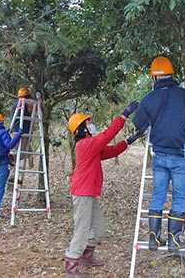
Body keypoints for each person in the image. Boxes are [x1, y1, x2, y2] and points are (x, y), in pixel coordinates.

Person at [132, 56, 185, 253]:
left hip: (159, 155)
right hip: (180, 154)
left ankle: (154, 237)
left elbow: (138, 123)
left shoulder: (149, 99)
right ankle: (174, 239)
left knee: (158, 195)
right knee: (179, 197)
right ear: (172, 75)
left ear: (154, 79)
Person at [64, 102, 144, 278]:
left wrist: (128, 142)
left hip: (89, 192)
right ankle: (71, 266)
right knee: (82, 230)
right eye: (87, 123)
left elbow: (111, 151)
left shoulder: (91, 146)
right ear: (81, 129)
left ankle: (87, 256)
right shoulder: (85, 145)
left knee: (98, 227)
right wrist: (123, 116)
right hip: (82, 192)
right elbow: (107, 135)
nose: (90, 125)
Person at [0, 112, 24, 222]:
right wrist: (18, 134)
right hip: (1, 164)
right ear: (2, 121)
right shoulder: (2, 132)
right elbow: (10, 145)